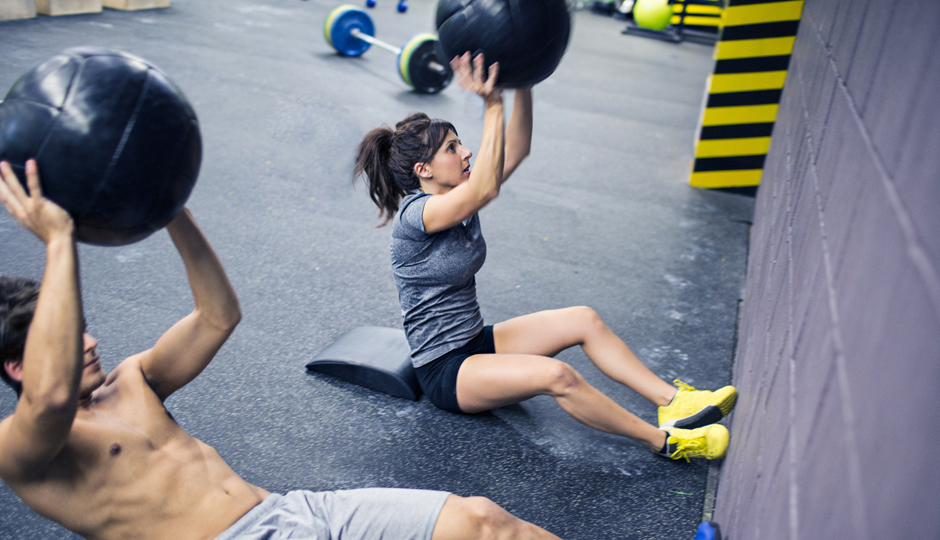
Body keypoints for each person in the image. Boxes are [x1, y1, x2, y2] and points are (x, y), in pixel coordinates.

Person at [0, 160, 564, 540]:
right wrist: (58, 245)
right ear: (18, 367)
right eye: (69, 337)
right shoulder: (22, 449)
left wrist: (172, 211)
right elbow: (48, 399)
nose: (91, 340)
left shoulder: (132, 379)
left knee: (483, 521)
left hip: (291, 511)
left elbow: (218, 316)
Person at [355, 53, 737, 462]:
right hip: (447, 371)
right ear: (423, 170)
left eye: (461, 143)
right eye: (453, 148)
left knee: (583, 319)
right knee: (557, 376)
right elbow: (485, 189)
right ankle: (667, 442)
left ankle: (674, 400)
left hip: (477, 341)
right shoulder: (418, 215)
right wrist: (493, 104)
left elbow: (516, 150)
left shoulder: (457, 194)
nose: (466, 153)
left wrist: (525, 80)